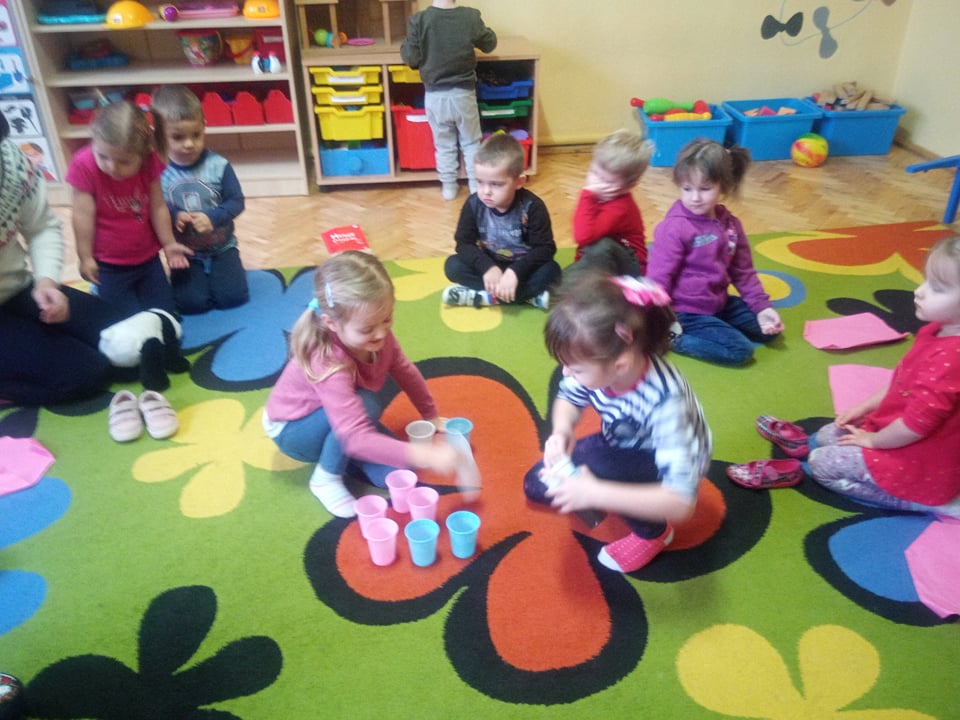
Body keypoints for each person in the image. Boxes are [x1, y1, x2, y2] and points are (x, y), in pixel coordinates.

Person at [746, 235, 960, 517]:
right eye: (925, 280)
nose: (918, 291)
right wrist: (864, 408)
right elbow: (903, 380)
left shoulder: (952, 359)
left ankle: (926, 503)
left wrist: (873, 441)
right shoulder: (937, 328)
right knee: (826, 436)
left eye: (937, 288)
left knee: (821, 465)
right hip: (896, 433)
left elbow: (916, 426)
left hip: (919, 462)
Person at [523, 272, 713, 572]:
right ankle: (609, 487)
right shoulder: (599, 362)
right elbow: (568, 397)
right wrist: (561, 430)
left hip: (664, 463)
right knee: (537, 484)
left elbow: (680, 501)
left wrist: (595, 493)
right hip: (622, 441)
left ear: (620, 365)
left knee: (595, 473)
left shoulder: (666, 402)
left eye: (575, 369)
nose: (567, 373)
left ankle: (654, 533)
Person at [263, 251, 466, 517]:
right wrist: (427, 455)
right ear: (331, 323)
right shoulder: (327, 361)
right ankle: (325, 477)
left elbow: (405, 371)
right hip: (294, 432)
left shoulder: (378, 335)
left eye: (387, 319)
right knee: (367, 405)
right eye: (367, 329)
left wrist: (430, 415)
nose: (381, 333)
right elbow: (355, 436)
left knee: (398, 472)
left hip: (338, 418)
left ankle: (343, 455)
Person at [0, 113, 124, 406]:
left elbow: (42, 227)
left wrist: (46, 281)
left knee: (125, 338)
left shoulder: (11, 162)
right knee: (85, 374)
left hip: (15, 287)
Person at [647, 138, 783, 366]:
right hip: (686, 311)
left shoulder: (731, 224)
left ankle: (721, 324)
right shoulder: (674, 228)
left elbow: (743, 271)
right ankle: (674, 338)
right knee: (740, 351)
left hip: (719, 302)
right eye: (687, 189)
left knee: (769, 329)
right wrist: (657, 319)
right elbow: (658, 278)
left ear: (724, 186)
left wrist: (762, 307)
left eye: (705, 189)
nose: (695, 198)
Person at [66, 100, 192, 317]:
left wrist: (169, 243)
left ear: (143, 155)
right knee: (125, 321)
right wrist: (85, 257)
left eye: (124, 162)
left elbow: (157, 206)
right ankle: (99, 290)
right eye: (102, 156)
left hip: (147, 259)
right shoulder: (83, 164)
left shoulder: (149, 162)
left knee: (164, 316)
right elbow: (82, 215)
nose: (112, 167)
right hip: (109, 265)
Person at [152, 85, 249, 315]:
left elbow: (237, 201)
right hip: (185, 252)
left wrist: (213, 217)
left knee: (232, 298)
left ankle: (220, 275)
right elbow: (155, 207)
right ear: (160, 135)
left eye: (196, 135)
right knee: (192, 305)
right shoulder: (156, 171)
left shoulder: (219, 165)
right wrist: (174, 216)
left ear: (204, 126)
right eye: (178, 137)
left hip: (222, 247)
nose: (189, 144)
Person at [441, 133, 561, 310]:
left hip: (523, 269)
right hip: (490, 265)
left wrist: (515, 272)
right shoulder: (473, 204)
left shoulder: (532, 207)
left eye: (496, 184)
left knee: (552, 271)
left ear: (519, 181)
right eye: (480, 182)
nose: (486, 192)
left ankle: (482, 296)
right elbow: (463, 244)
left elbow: (545, 249)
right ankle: (524, 297)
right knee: (453, 266)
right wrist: (487, 268)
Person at [400, 0, 497, 201]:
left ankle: (449, 187)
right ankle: (475, 187)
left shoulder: (419, 20)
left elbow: (411, 58)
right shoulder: (470, 16)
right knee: (471, 143)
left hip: (435, 96)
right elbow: (489, 44)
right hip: (463, 94)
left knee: (444, 145)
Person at [570, 129, 652, 277]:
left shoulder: (620, 208)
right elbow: (583, 244)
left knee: (600, 246)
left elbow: (583, 236)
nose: (596, 182)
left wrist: (586, 196)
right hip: (604, 262)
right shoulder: (598, 197)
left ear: (628, 186)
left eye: (607, 181)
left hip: (630, 270)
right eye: (594, 172)